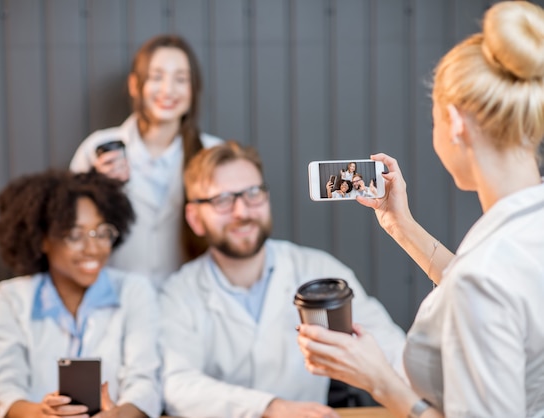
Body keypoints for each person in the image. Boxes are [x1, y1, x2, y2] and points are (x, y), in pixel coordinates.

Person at [297, 2, 544, 417]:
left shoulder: (482, 277)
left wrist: (380, 381)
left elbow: (485, 286)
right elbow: (509, 292)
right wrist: (401, 226)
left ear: (454, 121)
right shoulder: (517, 241)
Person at [159, 141, 406, 418]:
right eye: (222, 200)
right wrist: (270, 408)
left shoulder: (318, 270)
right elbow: (176, 384)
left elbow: (392, 349)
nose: (242, 212)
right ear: (195, 218)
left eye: (253, 193)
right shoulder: (178, 293)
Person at [0, 170, 162, 418]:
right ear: (42, 240)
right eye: (75, 235)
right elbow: (5, 389)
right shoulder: (10, 299)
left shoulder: (134, 291)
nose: (93, 249)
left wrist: (120, 415)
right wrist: (40, 413)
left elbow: (145, 381)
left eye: (102, 233)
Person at [70, 34, 223, 289]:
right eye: (157, 77)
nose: (168, 90)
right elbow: (71, 234)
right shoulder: (95, 149)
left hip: (191, 300)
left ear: (193, 89)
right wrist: (99, 191)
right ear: (135, 85)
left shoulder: (214, 153)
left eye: (181, 79)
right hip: (114, 297)